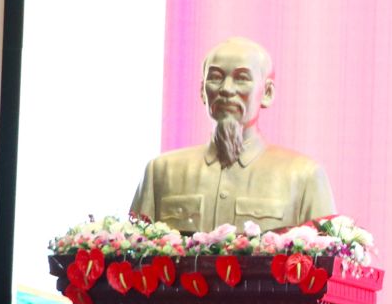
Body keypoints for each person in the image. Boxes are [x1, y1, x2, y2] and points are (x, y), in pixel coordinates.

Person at [131, 37, 334, 233]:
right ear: (202, 91)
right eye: (216, 77)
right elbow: (132, 249)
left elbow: (325, 252)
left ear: (267, 93)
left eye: (241, 78)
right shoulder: (161, 172)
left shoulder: (303, 176)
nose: (226, 89)